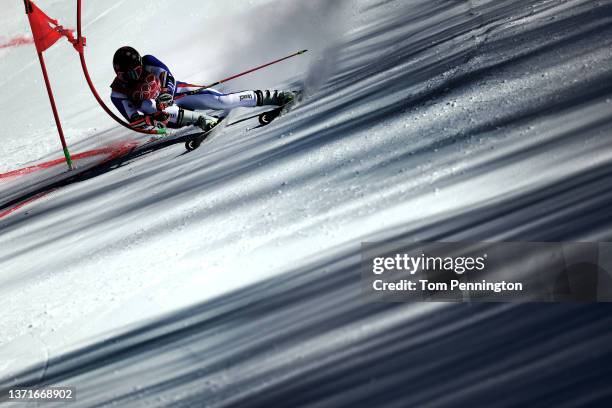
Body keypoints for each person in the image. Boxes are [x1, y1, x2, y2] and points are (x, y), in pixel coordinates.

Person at [110, 46, 296, 132]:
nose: (132, 78)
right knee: (149, 104)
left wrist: (166, 93)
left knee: (222, 101)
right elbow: (134, 122)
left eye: (135, 73)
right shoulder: (118, 93)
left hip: (178, 93)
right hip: (167, 115)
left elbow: (169, 78)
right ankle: (201, 120)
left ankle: (271, 96)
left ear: (141, 65)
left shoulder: (149, 61)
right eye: (126, 76)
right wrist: (152, 119)